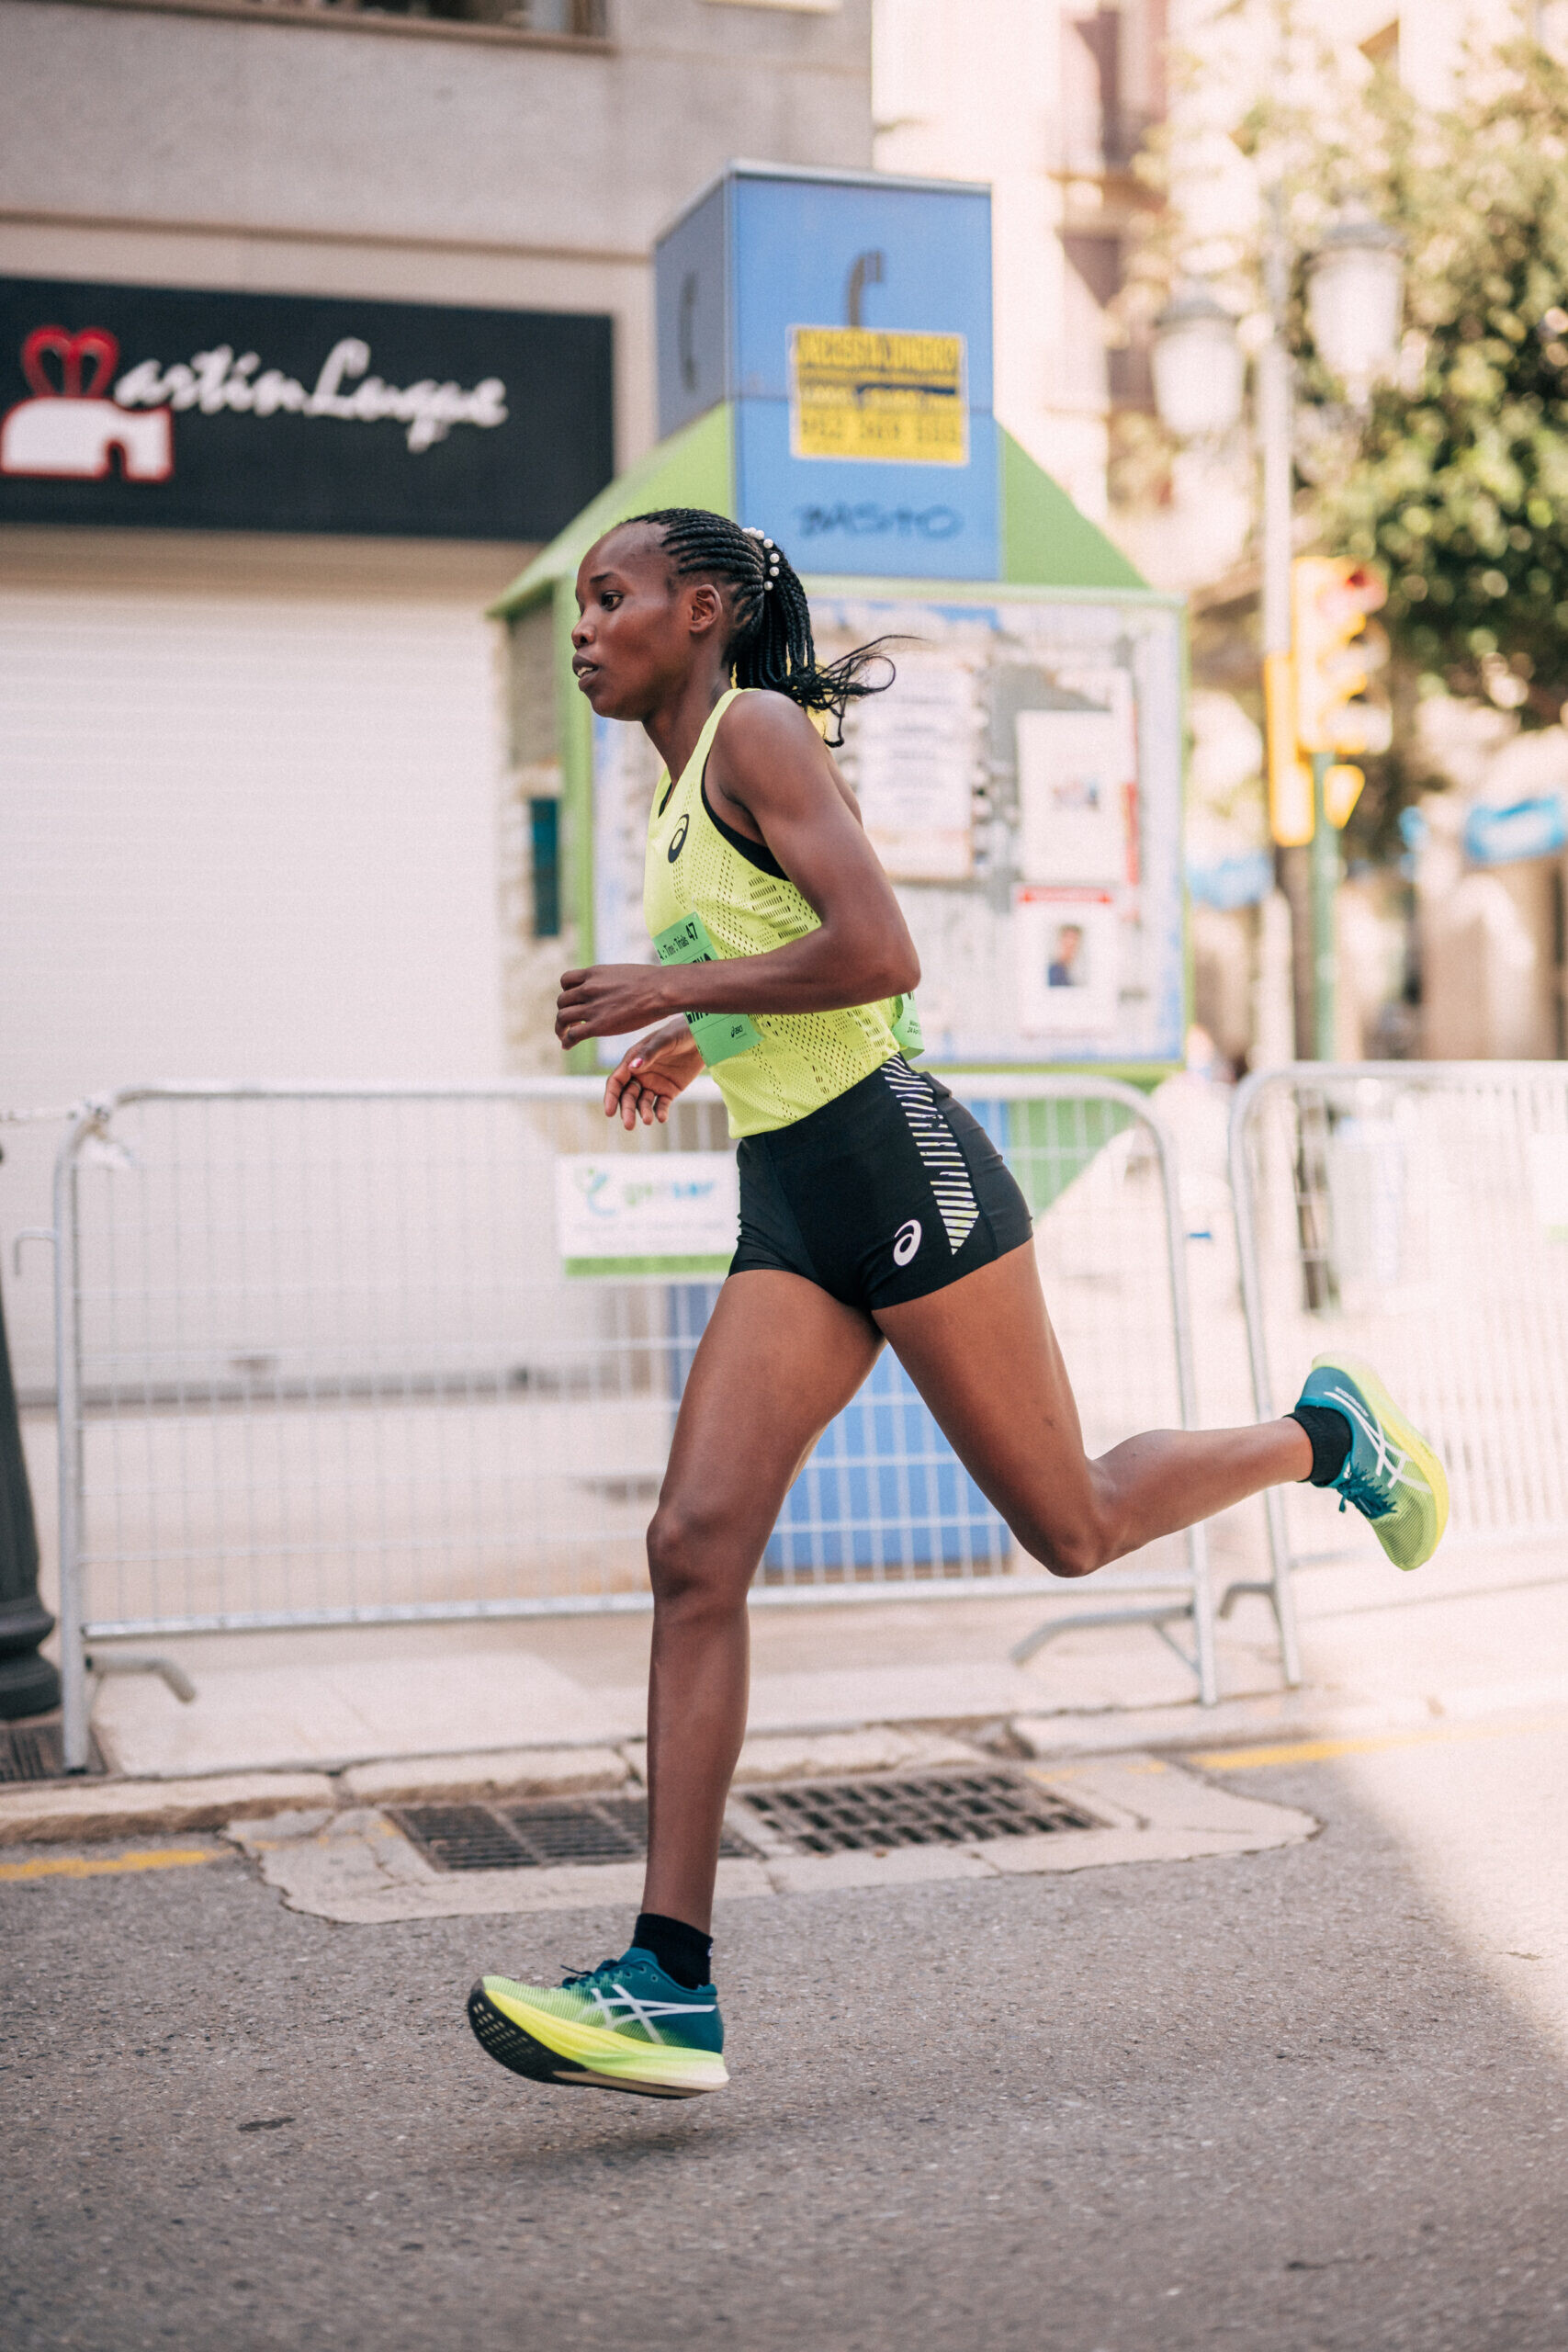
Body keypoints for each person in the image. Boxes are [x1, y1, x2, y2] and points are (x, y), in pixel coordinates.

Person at [467, 508, 1448, 2100]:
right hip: (796, 1197)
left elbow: (880, 951)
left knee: (1072, 1525)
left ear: (699, 609)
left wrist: (672, 987)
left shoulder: (757, 730)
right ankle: (668, 1983)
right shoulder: (680, 782)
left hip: (898, 1160)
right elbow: (793, 953)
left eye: (610, 595)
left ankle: (1326, 1439)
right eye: (580, 601)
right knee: (693, 1548)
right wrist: (696, 1039)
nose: (585, 626)